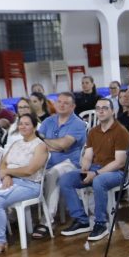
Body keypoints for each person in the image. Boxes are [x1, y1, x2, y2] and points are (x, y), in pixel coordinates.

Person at [0, 113, 49, 257]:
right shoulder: (16, 143)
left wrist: (8, 172)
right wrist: (7, 175)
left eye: (27, 124)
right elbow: (3, 164)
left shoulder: (40, 146)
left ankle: (0, 241)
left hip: (30, 184)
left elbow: (30, 170)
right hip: (11, 180)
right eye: (21, 123)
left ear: (34, 127)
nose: (23, 126)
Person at [58, 97, 129, 241]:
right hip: (95, 169)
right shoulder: (93, 132)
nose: (100, 111)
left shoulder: (120, 131)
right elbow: (88, 155)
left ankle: (101, 223)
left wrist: (96, 173)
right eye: (98, 108)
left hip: (117, 173)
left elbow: (119, 162)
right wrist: (85, 167)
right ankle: (82, 220)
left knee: (99, 181)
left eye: (104, 108)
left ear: (113, 111)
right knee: (65, 179)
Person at [34, 92, 88, 238]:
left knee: (54, 174)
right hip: (47, 161)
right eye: (59, 102)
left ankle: (47, 221)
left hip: (70, 163)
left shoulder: (77, 123)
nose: (61, 105)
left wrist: (46, 141)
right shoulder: (48, 121)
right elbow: (37, 143)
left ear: (73, 106)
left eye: (66, 103)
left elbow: (64, 145)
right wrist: (52, 145)